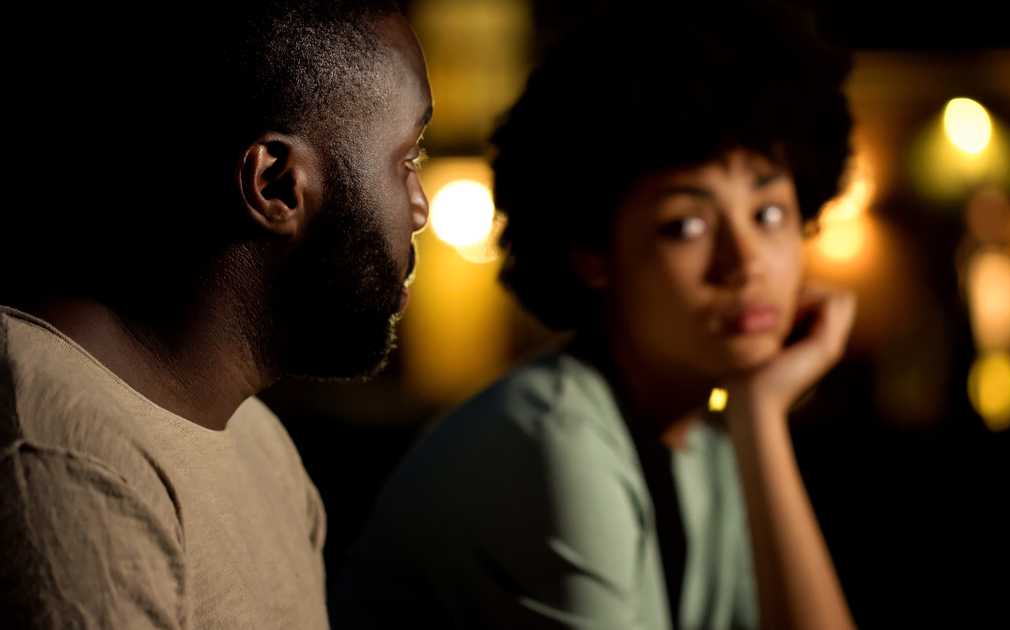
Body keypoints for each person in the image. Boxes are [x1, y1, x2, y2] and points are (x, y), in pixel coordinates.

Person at [335, 2, 856, 628]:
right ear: (591, 252)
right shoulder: (551, 437)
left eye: (768, 214)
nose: (744, 263)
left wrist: (759, 412)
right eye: (685, 226)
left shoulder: (708, 433)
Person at [0, 1, 431, 627]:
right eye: (408, 159)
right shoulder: (63, 463)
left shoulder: (262, 446)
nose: (419, 209)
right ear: (277, 185)